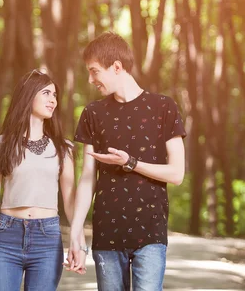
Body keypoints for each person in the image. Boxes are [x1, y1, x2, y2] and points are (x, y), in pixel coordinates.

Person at [66, 32, 186, 291]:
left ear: (116, 67)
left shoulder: (164, 107)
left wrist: (131, 162)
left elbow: (177, 174)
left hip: (151, 235)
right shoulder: (92, 113)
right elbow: (87, 178)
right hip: (106, 236)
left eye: (95, 71)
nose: (91, 79)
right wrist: (75, 231)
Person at [0, 69, 86, 291]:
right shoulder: (0, 146)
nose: (53, 100)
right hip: (6, 237)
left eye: (55, 95)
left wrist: (79, 243)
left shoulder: (63, 148)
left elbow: (69, 202)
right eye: (46, 93)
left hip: (47, 240)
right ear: (29, 95)